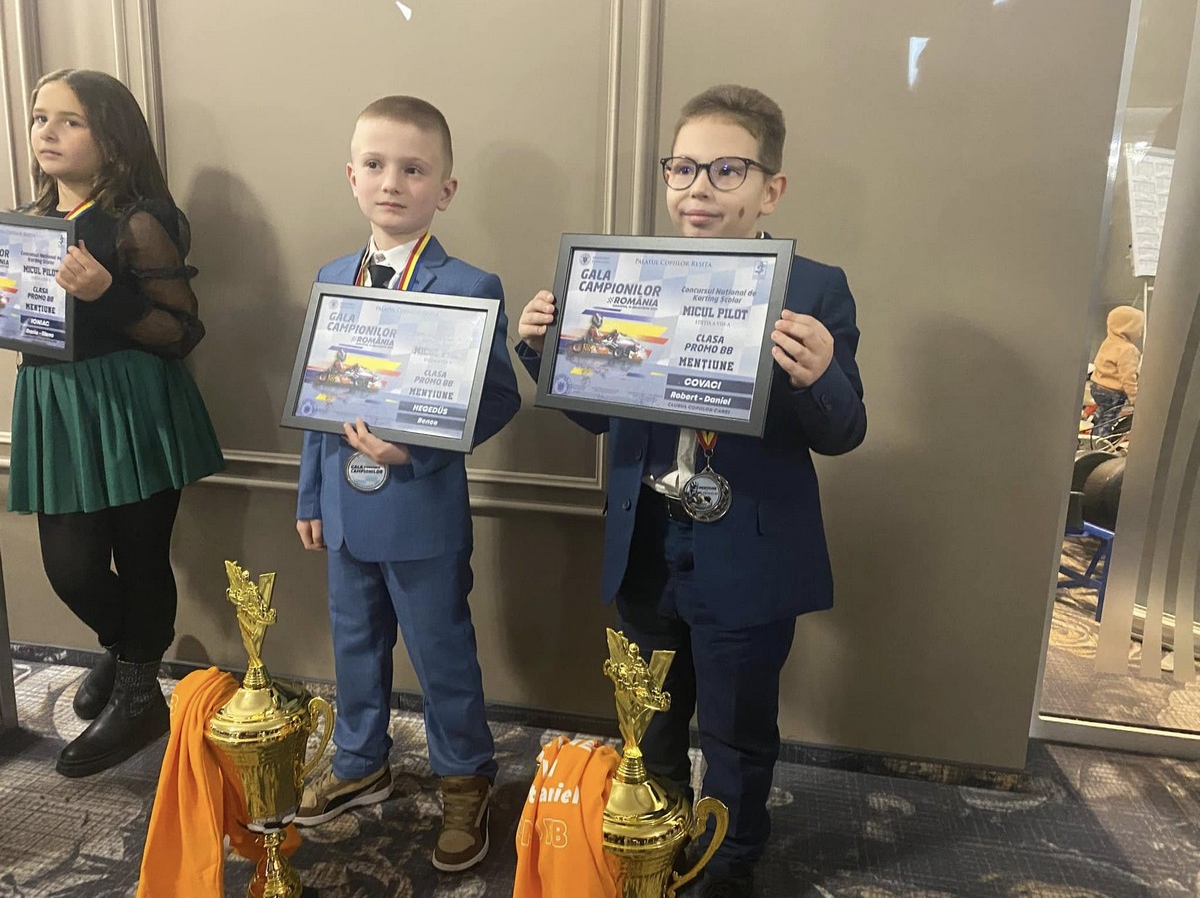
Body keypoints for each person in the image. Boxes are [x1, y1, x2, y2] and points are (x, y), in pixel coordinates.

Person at [516, 85, 867, 898]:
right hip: (647, 540)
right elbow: (598, 418)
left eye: (726, 170)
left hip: (746, 551)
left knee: (738, 730)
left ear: (770, 189)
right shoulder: (630, 278)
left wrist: (819, 377)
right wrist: (545, 352)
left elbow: (843, 430)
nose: (698, 188)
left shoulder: (814, 288)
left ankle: (731, 862)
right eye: (682, 168)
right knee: (652, 720)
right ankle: (658, 844)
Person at [293, 95, 520, 874]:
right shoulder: (332, 277)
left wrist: (415, 449)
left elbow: (497, 398)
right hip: (343, 508)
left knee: (440, 650)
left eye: (414, 170)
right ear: (352, 176)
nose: (392, 182)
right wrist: (309, 496)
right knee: (354, 641)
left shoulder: (470, 284)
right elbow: (319, 397)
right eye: (376, 165)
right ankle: (362, 761)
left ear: (444, 190)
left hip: (421, 510)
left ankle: (465, 777)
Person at [9, 69, 224, 778]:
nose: (47, 132)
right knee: (70, 569)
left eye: (69, 120)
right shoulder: (30, 220)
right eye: (40, 117)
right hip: (55, 404)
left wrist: (108, 295)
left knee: (140, 554)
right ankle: (129, 648)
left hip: (131, 404)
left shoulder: (139, 221)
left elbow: (181, 332)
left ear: (113, 137)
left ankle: (138, 695)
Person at [1089, 305, 1143, 439]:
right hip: (1113, 393)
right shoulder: (1128, 350)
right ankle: (1099, 441)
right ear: (1129, 327)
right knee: (1109, 420)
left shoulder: (1109, 342)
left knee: (1102, 413)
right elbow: (1128, 378)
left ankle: (1094, 431)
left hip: (1097, 387)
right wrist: (1135, 398)